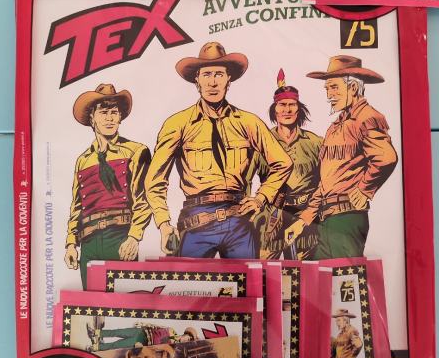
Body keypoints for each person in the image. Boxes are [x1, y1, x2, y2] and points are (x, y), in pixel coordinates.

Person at [144, 41, 292, 258]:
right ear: (197, 79)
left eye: (219, 74)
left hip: (239, 222)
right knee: (190, 279)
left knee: (246, 278)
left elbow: (283, 163)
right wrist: (164, 224)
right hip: (196, 222)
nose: (213, 82)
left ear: (228, 79)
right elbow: (154, 180)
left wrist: (260, 198)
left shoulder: (248, 122)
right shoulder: (177, 124)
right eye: (207, 74)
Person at [286, 55, 397, 258]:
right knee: (317, 272)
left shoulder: (367, 117)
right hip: (327, 220)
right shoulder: (335, 127)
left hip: (347, 218)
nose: (329, 95)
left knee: (343, 275)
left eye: (334, 87)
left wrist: (364, 189)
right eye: (327, 89)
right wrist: (304, 219)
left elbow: (386, 157)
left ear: (353, 88)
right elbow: (325, 182)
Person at [64, 84, 151, 289]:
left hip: (120, 238)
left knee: (123, 302)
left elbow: (143, 199)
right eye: (103, 113)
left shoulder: (136, 151)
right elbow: (77, 206)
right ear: (92, 118)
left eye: (114, 112)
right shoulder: (83, 160)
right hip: (89, 242)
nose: (110, 118)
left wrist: (133, 237)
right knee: (91, 304)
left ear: (120, 117)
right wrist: (71, 244)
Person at [254, 69, 322, 259]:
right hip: (272, 214)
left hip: (305, 216)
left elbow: (326, 180)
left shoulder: (315, 143)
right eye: (282, 105)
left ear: (299, 109)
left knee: (304, 270)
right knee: (264, 267)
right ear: (274, 109)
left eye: (292, 105)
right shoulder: (263, 141)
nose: (287, 110)